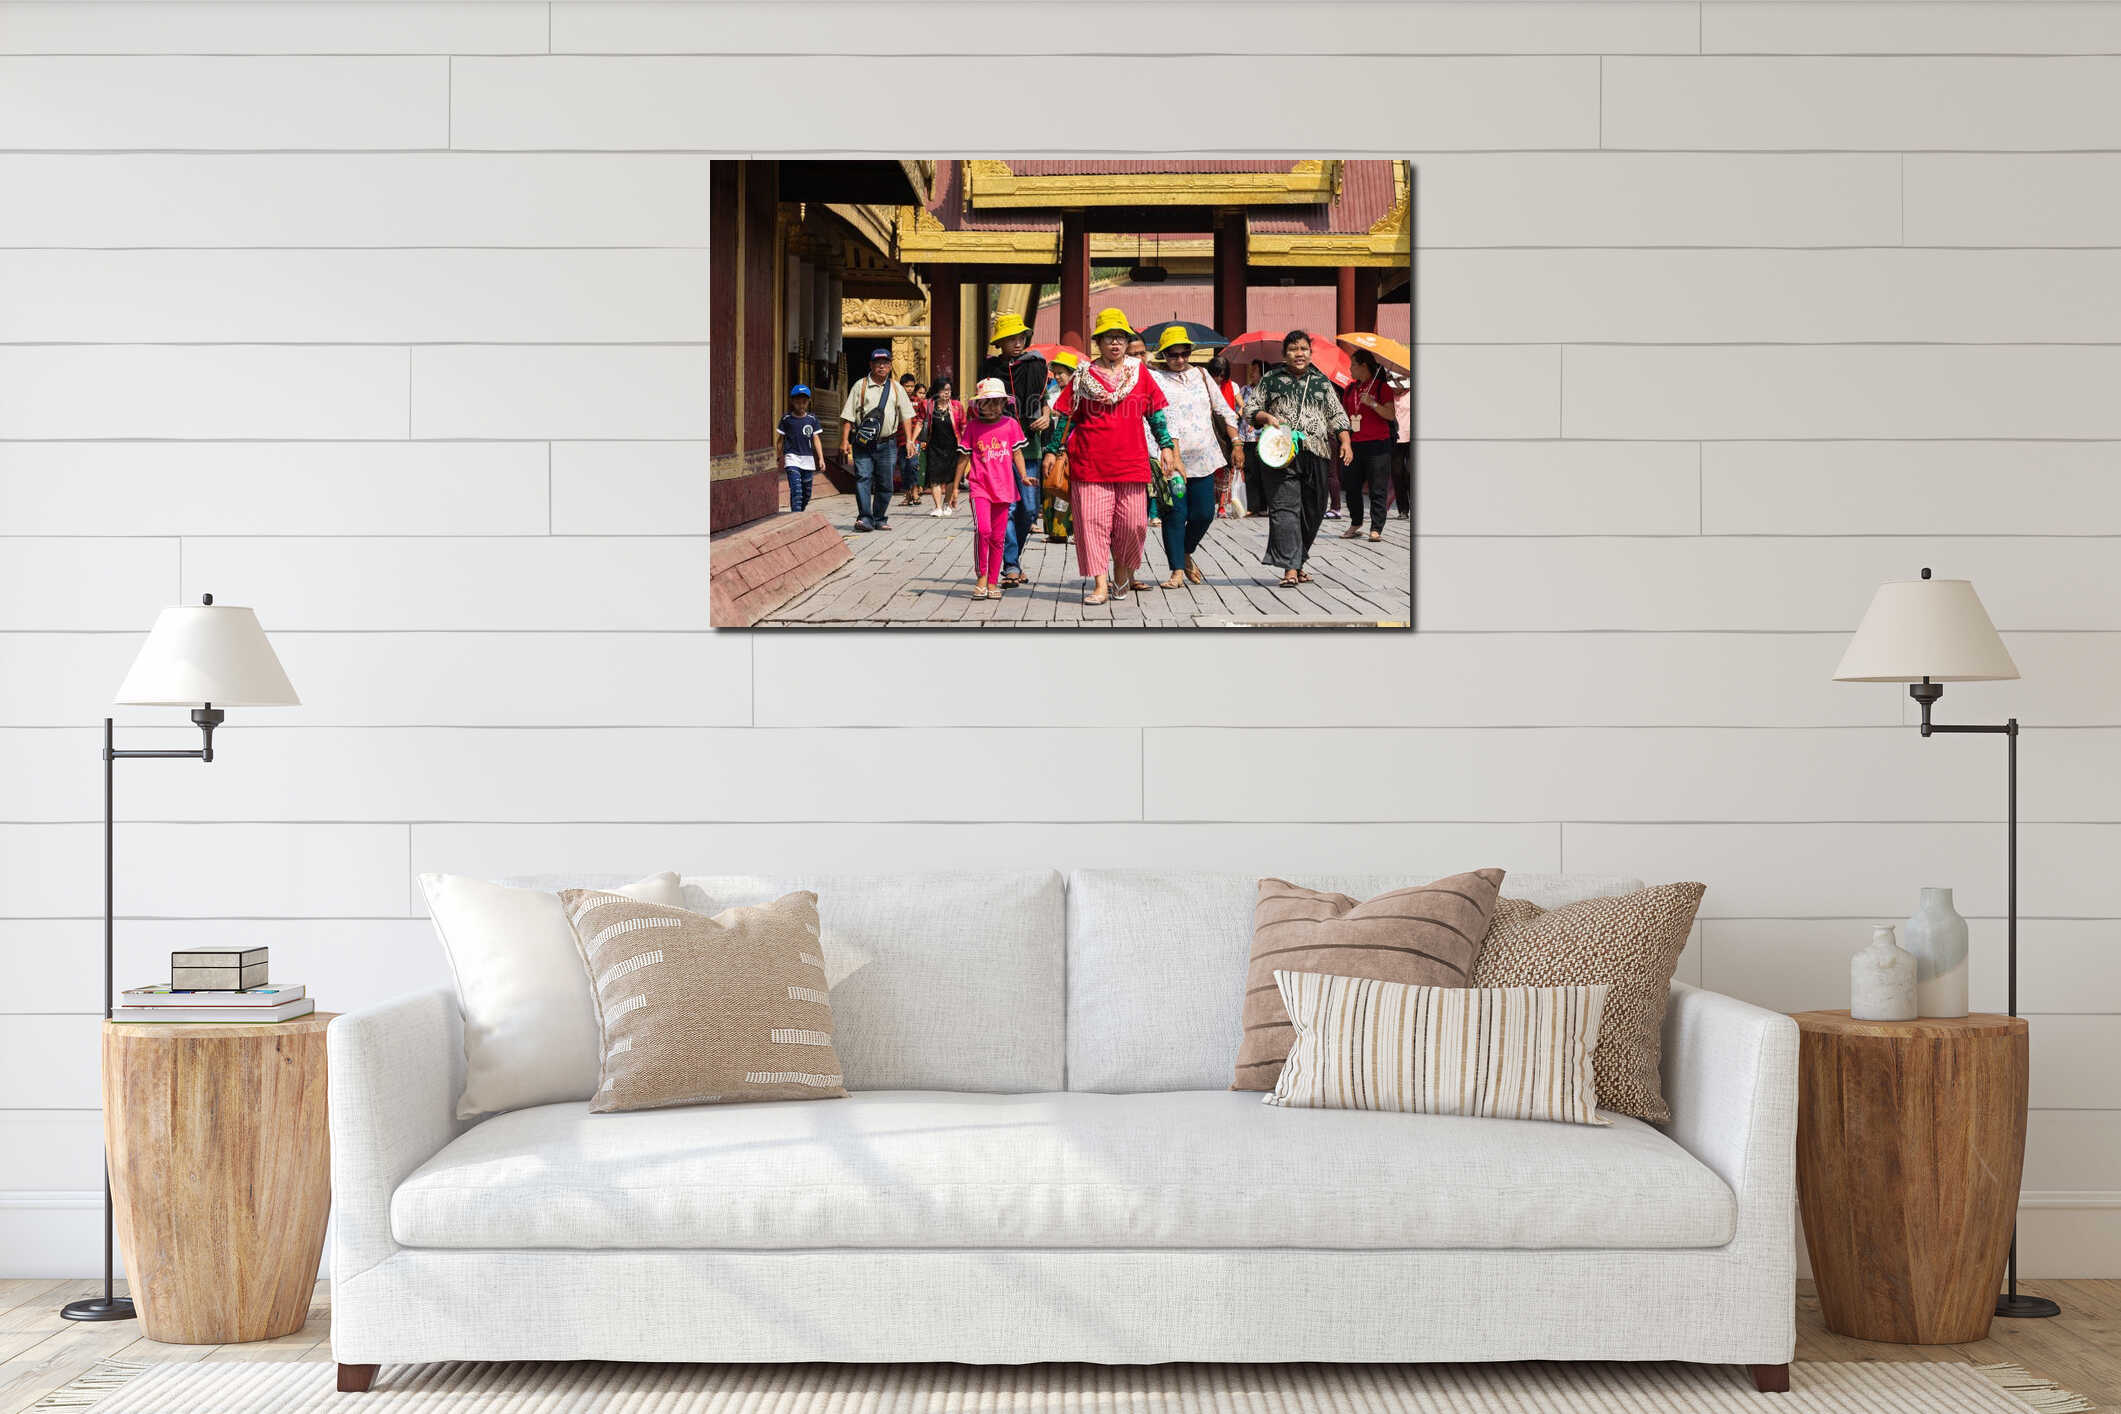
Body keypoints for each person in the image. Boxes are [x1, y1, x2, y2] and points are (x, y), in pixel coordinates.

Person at [1044, 308, 1178, 606]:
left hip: (1132, 463)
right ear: (1098, 342)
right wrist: (1053, 450)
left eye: (1120, 338)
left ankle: (1121, 572)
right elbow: (1066, 417)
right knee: (1092, 525)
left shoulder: (1139, 373)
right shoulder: (1082, 376)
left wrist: (1166, 445)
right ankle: (1100, 585)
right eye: (1109, 338)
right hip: (1089, 462)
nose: (1115, 344)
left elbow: (1154, 412)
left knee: (1134, 525)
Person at [1248, 329, 1351, 590]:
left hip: (1316, 452)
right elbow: (1250, 409)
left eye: (1304, 349)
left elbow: (1337, 415)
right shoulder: (1270, 379)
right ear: (1284, 354)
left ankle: (1298, 559)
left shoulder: (1321, 382)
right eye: (1293, 349)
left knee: (1314, 510)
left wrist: (1346, 442)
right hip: (1280, 453)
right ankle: (1290, 568)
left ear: (1309, 353)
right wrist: (1267, 418)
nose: (1299, 354)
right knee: (1285, 510)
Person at [1145, 327, 1243, 588]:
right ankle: (1176, 570)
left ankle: (1186, 551)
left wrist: (1236, 442)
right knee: (1175, 514)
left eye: (1184, 353)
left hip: (1204, 457)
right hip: (1170, 457)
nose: (1179, 359)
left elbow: (1223, 409)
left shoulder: (1201, 375)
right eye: (1172, 354)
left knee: (1203, 514)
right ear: (1163, 354)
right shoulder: (1155, 378)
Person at [979, 313, 1051, 589]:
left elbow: (1046, 399)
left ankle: (1011, 558)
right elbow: (980, 404)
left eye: (1021, 337)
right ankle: (1010, 564)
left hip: (1029, 444)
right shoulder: (990, 370)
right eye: (1011, 338)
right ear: (1001, 342)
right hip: (999, 446)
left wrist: (1046, 414)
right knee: (1006, 508)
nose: (1018, 342)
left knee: (1029, 510)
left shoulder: (1036, 365)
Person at [956, 378, 1029, 601]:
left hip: (1005, 488)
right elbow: (963, 457)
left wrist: (1024, 477)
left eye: (997, 402)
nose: (993, 406)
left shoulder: (1011, 425)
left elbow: (1017, 453)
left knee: (998, 537)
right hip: (980, 487)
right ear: (978, 405)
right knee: (983, 531)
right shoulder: (973, 427)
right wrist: (954, 489)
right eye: (988, 402)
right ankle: (981, 576)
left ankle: (993, 581)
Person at [838, 347, 914, 532]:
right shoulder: (860, 386)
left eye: (885, 362)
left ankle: (879, 517)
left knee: (885, 482)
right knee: (863, 477)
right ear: (871, 365)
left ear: (890, 366)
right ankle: (865, 517)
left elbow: (906, 416)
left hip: (888, 443)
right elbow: (848, 416)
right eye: (878, 362)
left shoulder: (897, 388)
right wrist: (844, 441)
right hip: (863, 443)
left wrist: (910, 440)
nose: (881, 366)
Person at [1338, 349, 1397, 543]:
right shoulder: (1349, 389)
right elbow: (1345, 415)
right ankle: (1356, 522)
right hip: (1354, 444)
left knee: (1377, 488)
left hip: (1378, 445)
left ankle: (1376, 527)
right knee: (1351, 486)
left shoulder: (1382, 388)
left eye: (1353, 364)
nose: (1350, 369)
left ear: (1363, 366)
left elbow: (1389, 414)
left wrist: (1372, 404)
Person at [1042, 348, 1078, 542]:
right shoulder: (1051, 392)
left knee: (1068, 486)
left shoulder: (1079, 393)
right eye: (1055, 373)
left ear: (1071, 373)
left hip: (1072, 445)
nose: (1057, 377)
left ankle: (1070, 530)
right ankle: (1055, 532)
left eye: (1061, 373)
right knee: (1053, 485)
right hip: (1052, 443)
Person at [774, 384, 825, 514]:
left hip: (808, 459)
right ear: (792, 401)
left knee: (806, 493)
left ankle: (799, 512)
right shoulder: (786, 419)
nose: (801, 405)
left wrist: (821, 458)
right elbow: (780, 440)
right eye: (797, 402)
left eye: (804, 402)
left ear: (808, 402)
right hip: (792, 458)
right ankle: (796, 515)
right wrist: (778, 456)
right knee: (796, 489)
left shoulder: (812, 419)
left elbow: (816, 439)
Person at [921, 374, 965, 517]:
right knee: (935, 477)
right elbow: (921, 422)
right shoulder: (928, 405)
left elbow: (963, 426)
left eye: (949, 390)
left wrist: (965, 445)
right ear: (936, 391)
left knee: (951, 478)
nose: (947, 393)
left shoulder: (957, 406)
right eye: (943, 390)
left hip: (953, 447)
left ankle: (946, 503)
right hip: (934, 446)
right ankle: (938, 507)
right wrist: (915, 440)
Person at [1207, 354, 1241, 517]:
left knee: (1226, 470)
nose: (1219, 379)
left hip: (1226, 433)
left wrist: (1237, 414)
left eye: (1222, 375)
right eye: (1216, 374)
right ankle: (1209, 502)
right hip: (1209, 432)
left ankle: (1221, 506)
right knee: (1211, 470)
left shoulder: (1232, 386)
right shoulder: (1204, 385)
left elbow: (1243, 406)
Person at [897, 373, 924, 507]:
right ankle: (907, 496)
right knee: (903, 468)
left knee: (913, 465)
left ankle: (915, 493)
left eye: (912, 386)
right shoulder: (895, 400)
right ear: (901, 386)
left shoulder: (917, 402)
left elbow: (921, 420)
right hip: (899, 440)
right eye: (907, 386)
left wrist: (913, 440)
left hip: (914, 441)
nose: (909, 389)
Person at [1391, 375, 1412, 519]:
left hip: (1411, 438)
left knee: (1410, 473)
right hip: (1395, 439)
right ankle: (1403, 510)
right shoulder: (1389, 395)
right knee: (1397, 474)